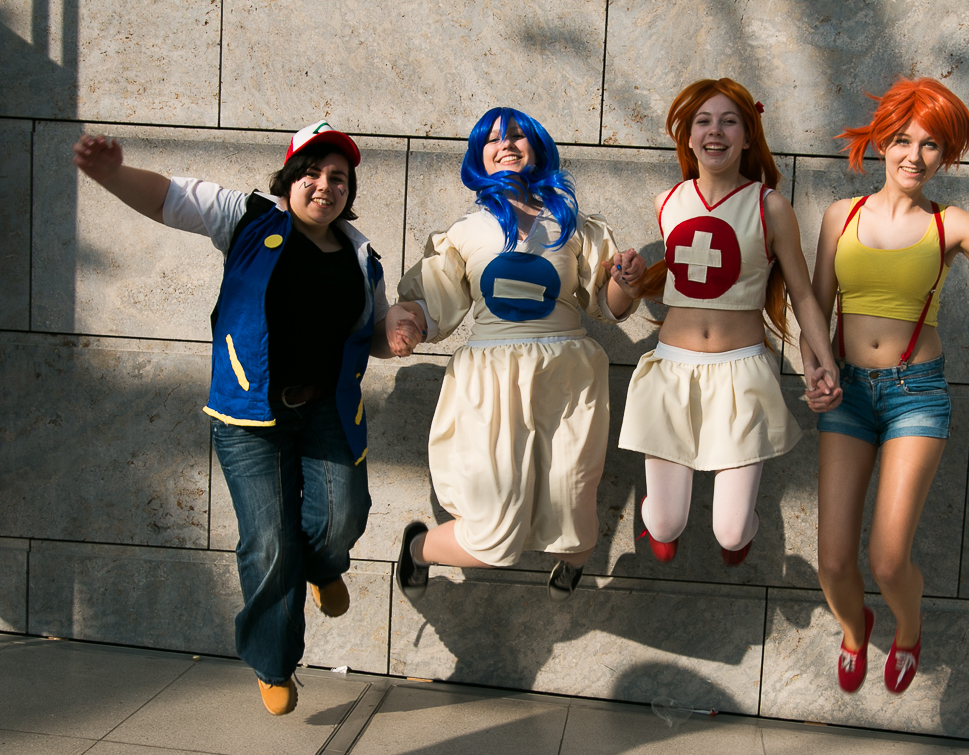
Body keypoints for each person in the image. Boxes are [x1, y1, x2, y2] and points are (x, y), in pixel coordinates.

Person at [72, 122, 395, 716]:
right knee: (269, 542)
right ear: (288, 179)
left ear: (349, 192)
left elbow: (373, 335)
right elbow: (169, 198)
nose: (325, 186)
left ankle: (323, 566)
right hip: (249, 413)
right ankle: (274, 663)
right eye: (312, 173)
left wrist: (397, 333)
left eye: (338, 178)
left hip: (327, 409)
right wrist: (113, 175)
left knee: (343, 517)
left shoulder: (361, 257)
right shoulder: (246, 219)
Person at [801, 77, 969, 694]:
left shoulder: (952, 225)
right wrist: (816, 372)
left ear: (947, 155)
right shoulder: (841, 216)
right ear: (881, 143)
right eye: (902, 140)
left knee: (889, 561)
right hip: (848, 395)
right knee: (832, 562)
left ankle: (908, 630)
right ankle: (855, 629)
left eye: (931, 144)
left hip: (916, 396)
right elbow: (816, 311)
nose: (914, 156)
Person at [386, 107, 645, 603]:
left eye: (517, 136)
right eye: (492, 139)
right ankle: (419, 547)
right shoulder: (466, 232)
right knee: (492, 535)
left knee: (575, 514)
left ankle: (574, 559)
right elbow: (431, 302)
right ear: (478, 156)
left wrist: (625, 283)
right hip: (493, 384)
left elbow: (608, 306)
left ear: (538, 147)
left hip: (566, 379)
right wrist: (408, 320)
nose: (505, 144)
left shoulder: (575, 226)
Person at [619, 77, 841, 566]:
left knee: (733, 531)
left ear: (747, 136)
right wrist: (630, 278)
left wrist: (823, 362)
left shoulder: (769, 206)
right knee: (665, 524)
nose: (715, 131)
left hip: (742, 374)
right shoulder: (667, 201)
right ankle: (659, 518)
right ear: (687, 137)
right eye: (703, 121)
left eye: (728, 121)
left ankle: (741, 536)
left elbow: (803, 294)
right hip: (671, 371)